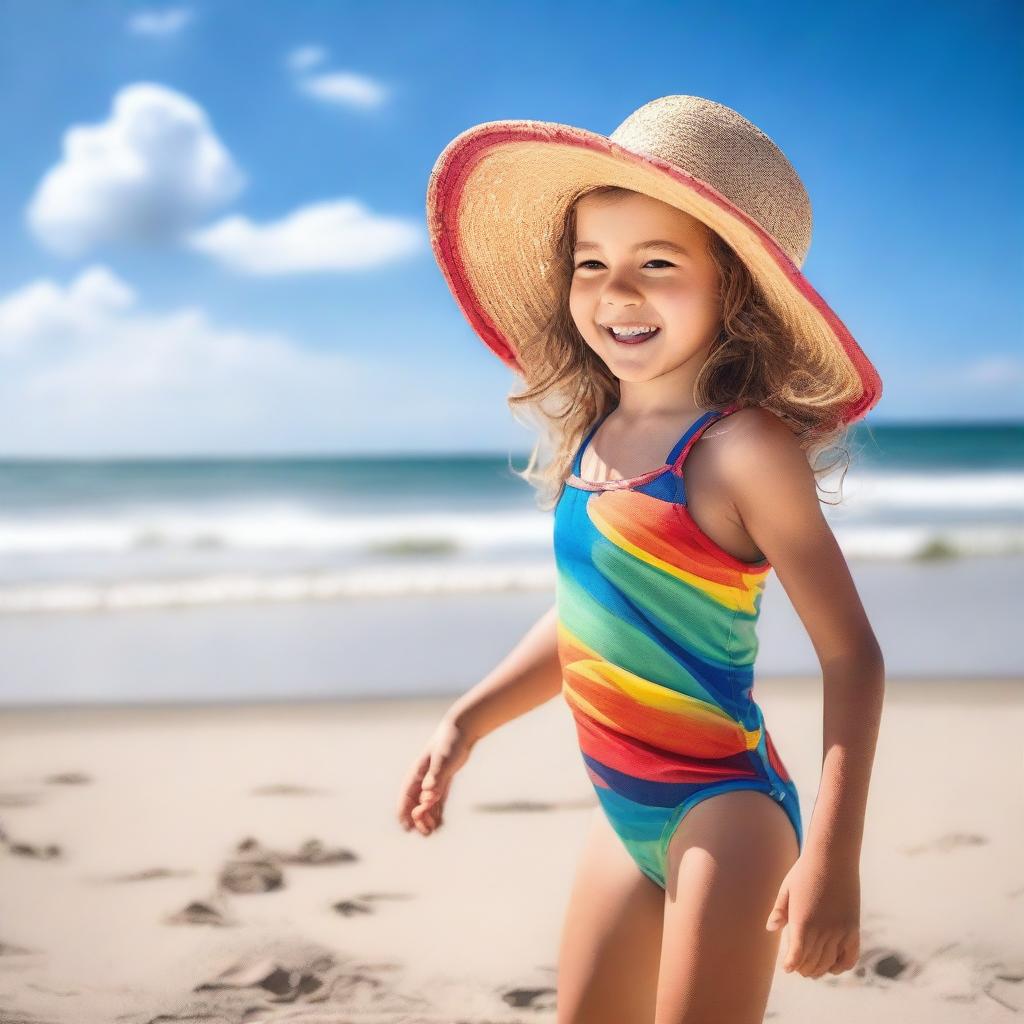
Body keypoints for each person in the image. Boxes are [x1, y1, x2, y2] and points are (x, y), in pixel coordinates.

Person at [398, 95, 886, 1023]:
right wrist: (469, 721)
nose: (617, 293)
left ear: (731, 288)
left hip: (725, 813)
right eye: (593, 264)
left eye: (656, 265)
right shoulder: (599, 435)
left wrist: (833, 856)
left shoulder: (744, 450)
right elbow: (593, 614)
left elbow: (852, 656)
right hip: (623, 813)